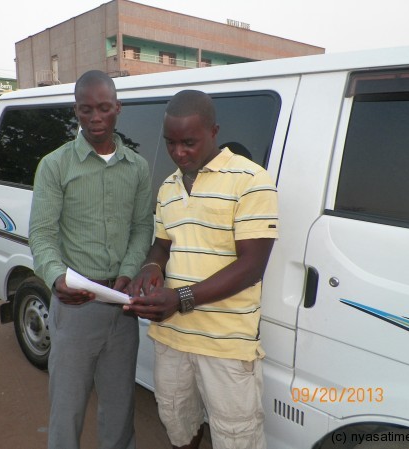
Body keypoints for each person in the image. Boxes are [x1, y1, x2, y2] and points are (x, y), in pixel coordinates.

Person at [125, 90, 278, 449]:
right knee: (178, 422)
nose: (179, 153)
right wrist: (151, 267)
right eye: (171, 143)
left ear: (214, 131)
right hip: (171, 337)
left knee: (236, 437)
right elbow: (163, 244)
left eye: (189, 143)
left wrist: (180, 298)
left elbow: (252, 266)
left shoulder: (251, 180)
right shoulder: (169, 186)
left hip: (226, 343)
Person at [29, 70, 153, 449]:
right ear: (76, 111)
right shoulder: (56, 165)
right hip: (75, 304)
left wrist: (129, 272)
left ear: (118, 108)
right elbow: (42, 234)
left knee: (119, 405)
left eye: (103, 108)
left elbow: (141, 228)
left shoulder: (137, 168)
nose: (95, 117)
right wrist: (56, 278)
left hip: (120, 306)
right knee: (67, 408)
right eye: (86, 110)